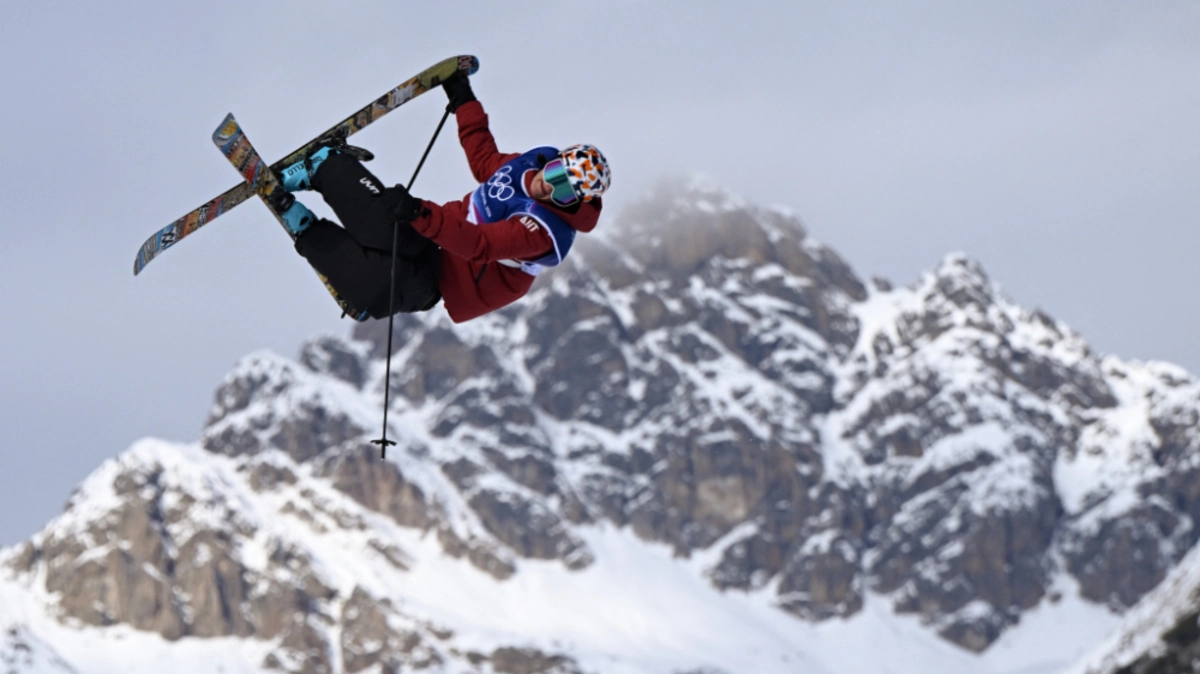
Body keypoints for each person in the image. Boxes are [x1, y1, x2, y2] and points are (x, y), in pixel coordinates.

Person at [269, 74, 611, 323]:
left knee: (378, 291)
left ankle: (304, 226)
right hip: (437, 236)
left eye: (564, 192)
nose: (549, 186)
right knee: (386, 226)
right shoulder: (525, 167)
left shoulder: (543, 234)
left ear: (573, 204)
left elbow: (481, 244)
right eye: (556, 174)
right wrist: (464, 100)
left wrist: (419, 212)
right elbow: (483, 158)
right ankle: (324, 166)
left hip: (448, 281)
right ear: (553, 162)